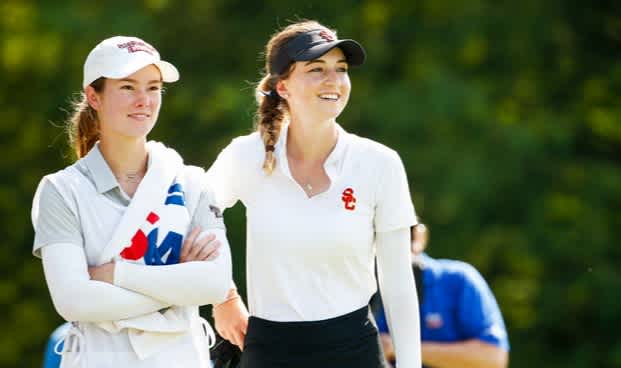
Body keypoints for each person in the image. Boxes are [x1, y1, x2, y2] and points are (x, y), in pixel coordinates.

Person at [205, 20, 421, 368]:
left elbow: (396, 282)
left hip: (354, 350)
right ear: (283, 86)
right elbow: (192, 217)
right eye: (316, 69)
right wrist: (223, 297)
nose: (333, 80)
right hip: (268, 349)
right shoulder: (246, 155)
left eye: (341, 69)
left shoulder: (380, 163)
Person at [31, 36, 232, 368]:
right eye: (127, 87)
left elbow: (213, 284)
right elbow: (74, 301)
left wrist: (115, 275)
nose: (144, 100)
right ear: (93, 96)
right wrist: (177, 286)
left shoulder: (192, 181)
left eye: (153, 88)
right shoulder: (61, 190)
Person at [373, 223, 510, 368]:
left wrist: (397, 349)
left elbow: (493, 358)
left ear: (417, 238)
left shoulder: (458, 280)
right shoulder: (362, 291)